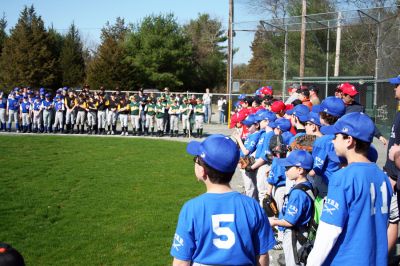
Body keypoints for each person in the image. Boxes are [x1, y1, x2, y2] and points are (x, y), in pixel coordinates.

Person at [170, 134, 276, 266]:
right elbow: (262, 256)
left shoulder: (192, 208)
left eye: (196, 160)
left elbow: (181, 262)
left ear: (202, 171)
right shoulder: (252, 206)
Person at [307, 112, 392, 266]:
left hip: (346, 259)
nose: (332, 141)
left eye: (336, 137)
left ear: (349, 140)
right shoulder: (382, 176)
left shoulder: (343, 177)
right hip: (375, 259)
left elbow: (329, 231)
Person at [269, 150, 315, 266]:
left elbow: (290, 221)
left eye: (288, 167)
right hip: (298, 232)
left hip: (295, 234)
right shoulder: (305, 185)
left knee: (294, 262)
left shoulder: (298, 193)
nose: (285, 171)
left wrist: (273, 222)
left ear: (300, 170)